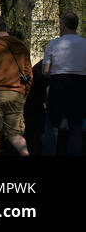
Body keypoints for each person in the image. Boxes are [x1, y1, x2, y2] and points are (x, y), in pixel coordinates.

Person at [0, 15, 31, 156]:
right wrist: (23, 93)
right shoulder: (21, 46)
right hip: (16, 95)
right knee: (15, 135)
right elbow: (29, 74)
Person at [41, 10, 86, 157]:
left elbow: (45, 72)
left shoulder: (53, 44)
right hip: (79, 87)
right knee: (76, 127)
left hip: (58, 86)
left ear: (64, 25)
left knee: (52, 126)